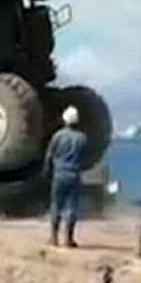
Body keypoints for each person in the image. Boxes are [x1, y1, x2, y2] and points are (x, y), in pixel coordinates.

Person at [43, 105, 88, 248]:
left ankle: (54, 238)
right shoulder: (82, 138)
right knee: (71, 207)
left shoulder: (58, 136)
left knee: (56, 205)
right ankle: (69, 239)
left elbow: (49, 156)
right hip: (74, 175)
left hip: (59, 175)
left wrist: (47, 172)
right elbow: (85, 158)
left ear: (64, 120)